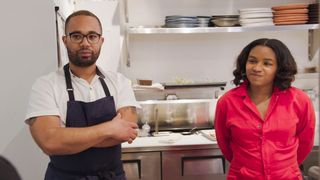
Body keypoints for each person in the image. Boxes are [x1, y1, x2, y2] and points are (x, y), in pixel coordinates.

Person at [25, 10, 140, 180]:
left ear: (101, 41)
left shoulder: (119, 82)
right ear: (65, 40)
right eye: (77, 36)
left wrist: (69, 138)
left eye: (92, 36)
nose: (85, 43)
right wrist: (109, 128)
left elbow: (126, 131)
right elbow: (50, 142)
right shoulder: (46, 85)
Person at [214, 38, 315, 180]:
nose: (257, 68)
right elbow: (224, 144)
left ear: (279, 68)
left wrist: (284, 167)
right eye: (252, 61)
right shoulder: (227, 102)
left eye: (267, 63)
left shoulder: (299, 100)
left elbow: (305, 142)